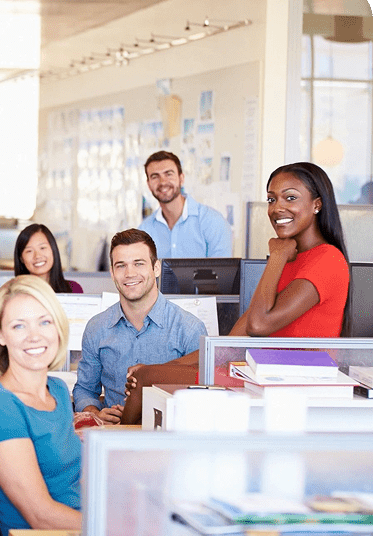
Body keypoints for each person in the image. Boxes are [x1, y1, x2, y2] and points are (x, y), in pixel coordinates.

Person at [122, 162, 350, 424]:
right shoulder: (290, 258)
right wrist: (159, 369)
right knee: (145, 376)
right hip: (261, 374)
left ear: (317, 204)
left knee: (147, 381)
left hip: (290, 381)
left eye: (290, 198)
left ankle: (111, 450)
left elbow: (259, 323)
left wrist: (276, 256)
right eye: (271, 199)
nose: (277, 208)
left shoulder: (327, 259)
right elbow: (231, 344)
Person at [0, 275, 81, 536]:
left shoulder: (58, 391)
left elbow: (77, 478)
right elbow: (41, 515)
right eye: (19, 326)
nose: (34, 336)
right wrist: (116, 531)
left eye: (45, 322)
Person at [72, 229, 207, 423]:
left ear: (157, 268)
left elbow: (201, 396)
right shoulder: (97, 328)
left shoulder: (189, 328)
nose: (130, 273)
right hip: (114, 437)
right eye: (121, 266)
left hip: (169, 437)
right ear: (112, 273)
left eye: (139, 263)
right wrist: (94, 412)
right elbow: (85, 389)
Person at [139, 151, 232, 258]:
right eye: (155, 177)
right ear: (148, 184)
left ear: (181, 178)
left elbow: (222, 273)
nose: (163, 182)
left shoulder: (213, 222)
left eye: (169, 174)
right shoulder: (145, 230)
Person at [14, 223, 83, 293]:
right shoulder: (14, 293)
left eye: (42, 248)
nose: (37, 256)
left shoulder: (73, 289)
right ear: (21, 258)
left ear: (53, 250)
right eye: (29, 251)